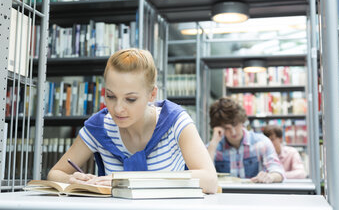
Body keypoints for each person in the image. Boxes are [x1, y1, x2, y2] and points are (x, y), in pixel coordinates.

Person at [48, 48, 218, 194]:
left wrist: (128, 178)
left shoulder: (176, 122)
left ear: (152, 94)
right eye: (111, 96)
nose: (117, 109)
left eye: (130, 99)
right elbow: (55, 173)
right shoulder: (99, 128)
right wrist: (72, 179)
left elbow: (210, 180)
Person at [207, 97, 284, 183]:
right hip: (224, 196)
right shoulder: (213, 147)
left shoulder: (261, 142)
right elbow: (205, 176)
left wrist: (270, 177)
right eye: (226, 128)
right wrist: (213, 144)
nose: (233, 132)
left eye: (235, 124)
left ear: (241, 120)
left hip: (256, 195)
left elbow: (278, 171)